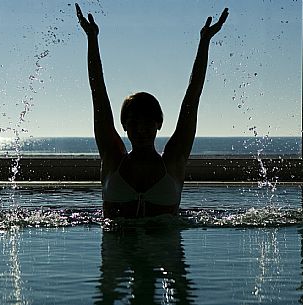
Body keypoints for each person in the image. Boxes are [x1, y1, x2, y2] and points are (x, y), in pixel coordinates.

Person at [76, 3, 229, 218]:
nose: (141, 130)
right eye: (134, 123)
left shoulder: (173, 160)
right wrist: (92, 39)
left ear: (158, 123)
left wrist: (205, 42)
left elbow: (192, 99)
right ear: (124, 126)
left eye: (147, 123)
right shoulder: (112, 158)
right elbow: (98, 93)